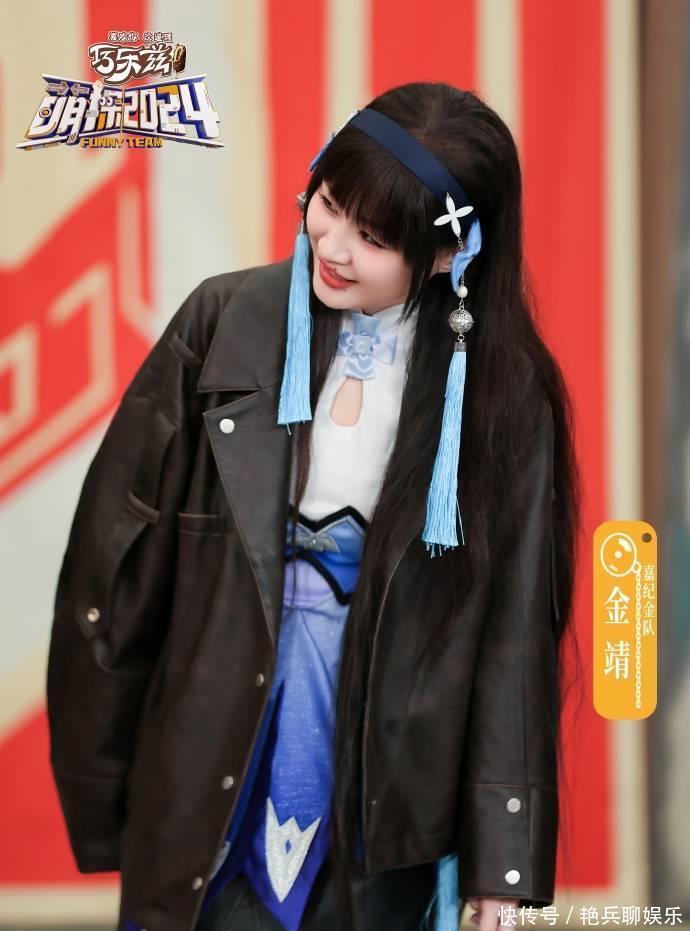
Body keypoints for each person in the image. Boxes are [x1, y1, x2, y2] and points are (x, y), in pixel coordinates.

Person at [46, 82, 582, 931]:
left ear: (447, 255)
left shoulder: (503, 396)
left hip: (387, 802)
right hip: (208, 765)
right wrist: (108, 783)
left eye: (374, 238)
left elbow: (514, 641)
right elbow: (113, 565)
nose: (332, 245)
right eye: (329, 203)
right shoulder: (223, 321)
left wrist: (501, 867)